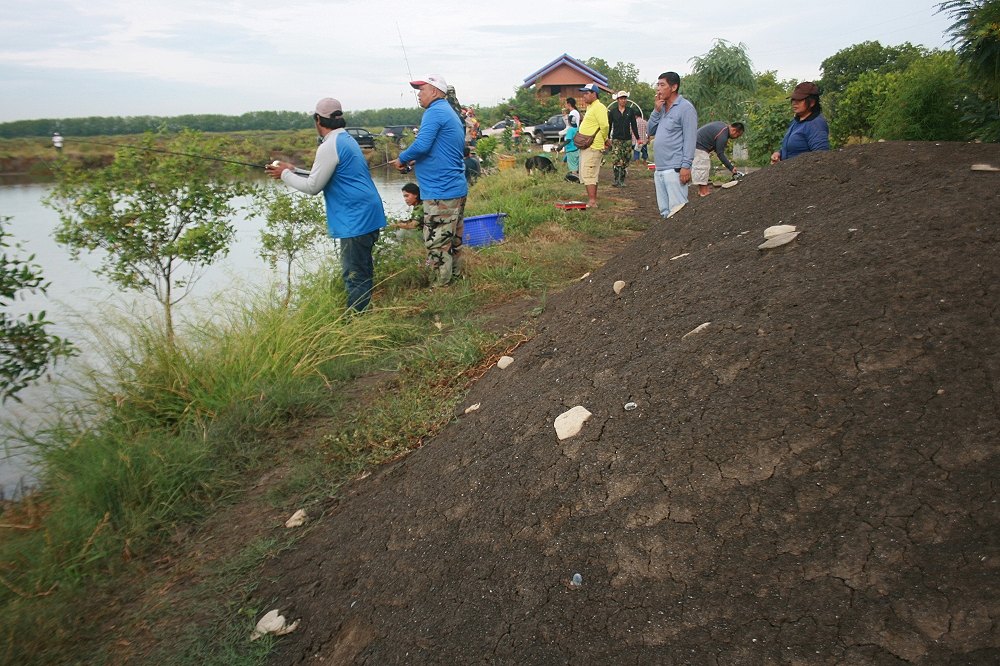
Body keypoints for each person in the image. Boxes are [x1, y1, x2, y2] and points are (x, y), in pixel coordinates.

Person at [266, 97, 386, 312]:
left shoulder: (329, 145)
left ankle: (358, 323)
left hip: (355, 218)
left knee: (354, 274)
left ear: (318, 120)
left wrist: (284, 174)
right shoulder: (345, 139)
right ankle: (366, 314)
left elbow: (313, 187)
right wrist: (293, 170)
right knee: (362, 269)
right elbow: (325, 175)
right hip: (367, 212)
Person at [389, 75, 468, 288]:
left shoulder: (434, 112)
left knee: (437, 243)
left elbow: (422, 145)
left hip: (441, 191)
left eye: (421, 90)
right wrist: (415, 161)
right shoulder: (448, 112)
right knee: (453, 241)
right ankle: (456, 281)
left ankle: (440, 287)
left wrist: (403, 158)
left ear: (434, 91)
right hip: (454, 187)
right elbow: (438, 151)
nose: (418, 95)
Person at [647, 71, 697, 218]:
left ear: (674, 87)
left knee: (678, 210)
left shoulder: (685, 108)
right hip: (660, 168)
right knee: (665, 212)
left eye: (662, 85)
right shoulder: (661, 109)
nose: (658, 89)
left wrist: (686, 166)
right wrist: (656, 111)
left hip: (675, 169)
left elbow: (690, 138)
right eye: (658, 85)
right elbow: (650, 130)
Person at [771, 82, 829, 164]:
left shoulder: (816, 124)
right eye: (794, 99)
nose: (795, 103)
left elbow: (821, 157)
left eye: (799, 100)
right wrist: (779, 153)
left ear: (812, 102)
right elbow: (793, 149)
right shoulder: (796, 121)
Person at [576, 83, 610, 208]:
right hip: (588, 146)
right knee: (588, 173)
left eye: (586, 93)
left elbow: (605, 125)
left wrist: (605, 138)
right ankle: (592, 200)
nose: (583, 96)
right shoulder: (591, 107)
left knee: (589, 172)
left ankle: (592, 201)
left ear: (594, 94)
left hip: (593, 145)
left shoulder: (599, 107)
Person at [693, 121, 745, 197]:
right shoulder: (723, 135)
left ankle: (701, 191)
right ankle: (703, 192)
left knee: (703, 166)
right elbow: (720, 153)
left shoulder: (722, 127)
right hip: (699, 146)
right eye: (738, 135)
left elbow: (718, 149)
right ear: (734, 130)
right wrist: (731, 168)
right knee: (702, 166)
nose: (737, 138)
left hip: (695, 143)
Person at [607, 91, 640, 187]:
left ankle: (622, 179)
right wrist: (607, 137)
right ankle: (616, 179)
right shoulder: (613, 112)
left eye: (625, 98)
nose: (623, 100)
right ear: (618, 100)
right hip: (616, 139)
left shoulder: (630, 111)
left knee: (625, 159)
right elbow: (609, 125)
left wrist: (638, 138)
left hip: (627, 139)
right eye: (621, 98)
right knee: (616, 159)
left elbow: (634, 125)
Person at [561, 115, 580, 182]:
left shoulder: (570, 130)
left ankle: (577, 179)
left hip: (571, 150)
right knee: (577, 165)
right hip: (578, 149)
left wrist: (560, 146)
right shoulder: (578, 128)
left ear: (569, 122)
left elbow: (568, 140)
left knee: (573, 168)